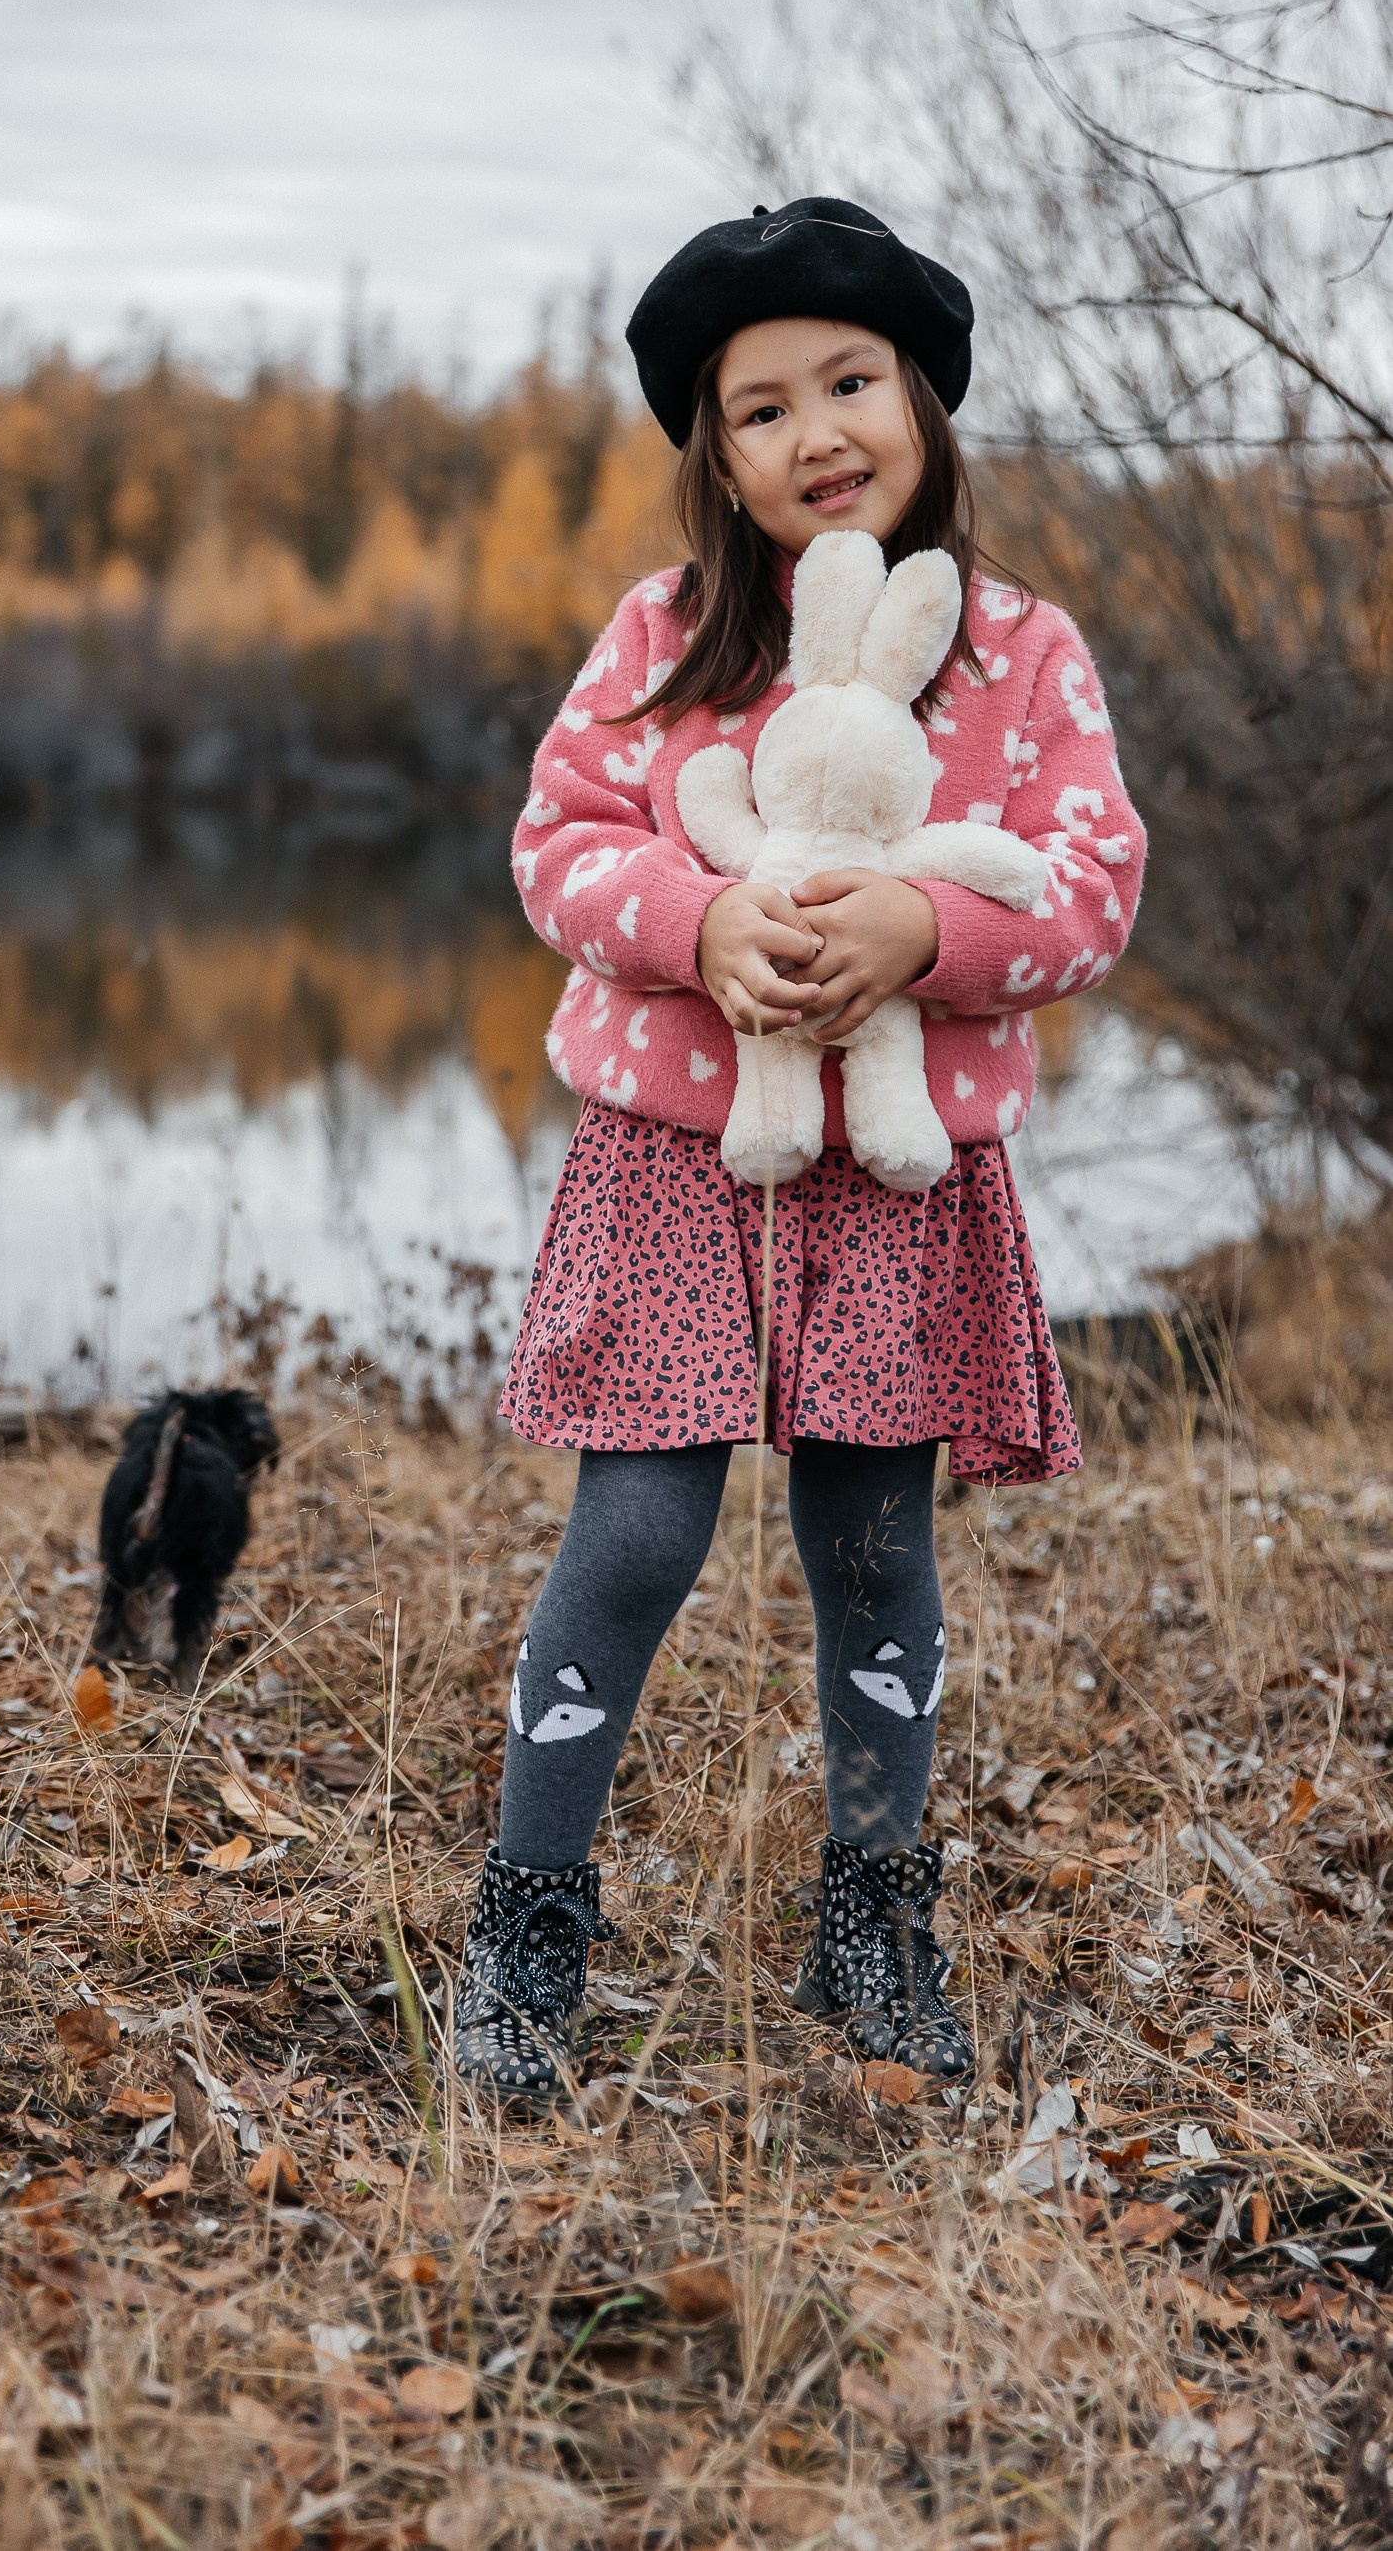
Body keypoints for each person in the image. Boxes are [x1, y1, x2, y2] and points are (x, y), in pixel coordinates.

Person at [453, 197, 1144, 2101]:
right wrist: (697, 928)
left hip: (905, 1172)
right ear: (715, 452)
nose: (813, 429)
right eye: (759, 407)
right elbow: (560, 845)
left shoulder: (1015, 650)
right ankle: (529, 1909)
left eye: (849, 381)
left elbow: (1090, 888)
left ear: (920, 397)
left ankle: (873, 1906)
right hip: (681, 1154)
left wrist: (934, 933)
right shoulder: (666, 636)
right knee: (637, 1533)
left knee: (870, 1549)